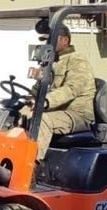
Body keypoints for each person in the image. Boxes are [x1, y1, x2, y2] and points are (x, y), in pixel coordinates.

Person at [28, 24, 96, 160]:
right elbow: (39, 90)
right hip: (55, 111)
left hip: (76, 114)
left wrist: (45, 101)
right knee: (19, 115)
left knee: (42, 120)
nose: (47, 44)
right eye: (46, 41)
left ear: (65, 40)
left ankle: (31, 167)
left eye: (52, 40)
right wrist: (32, 94)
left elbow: (72, 89)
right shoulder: (52, 62)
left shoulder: (77, 60)